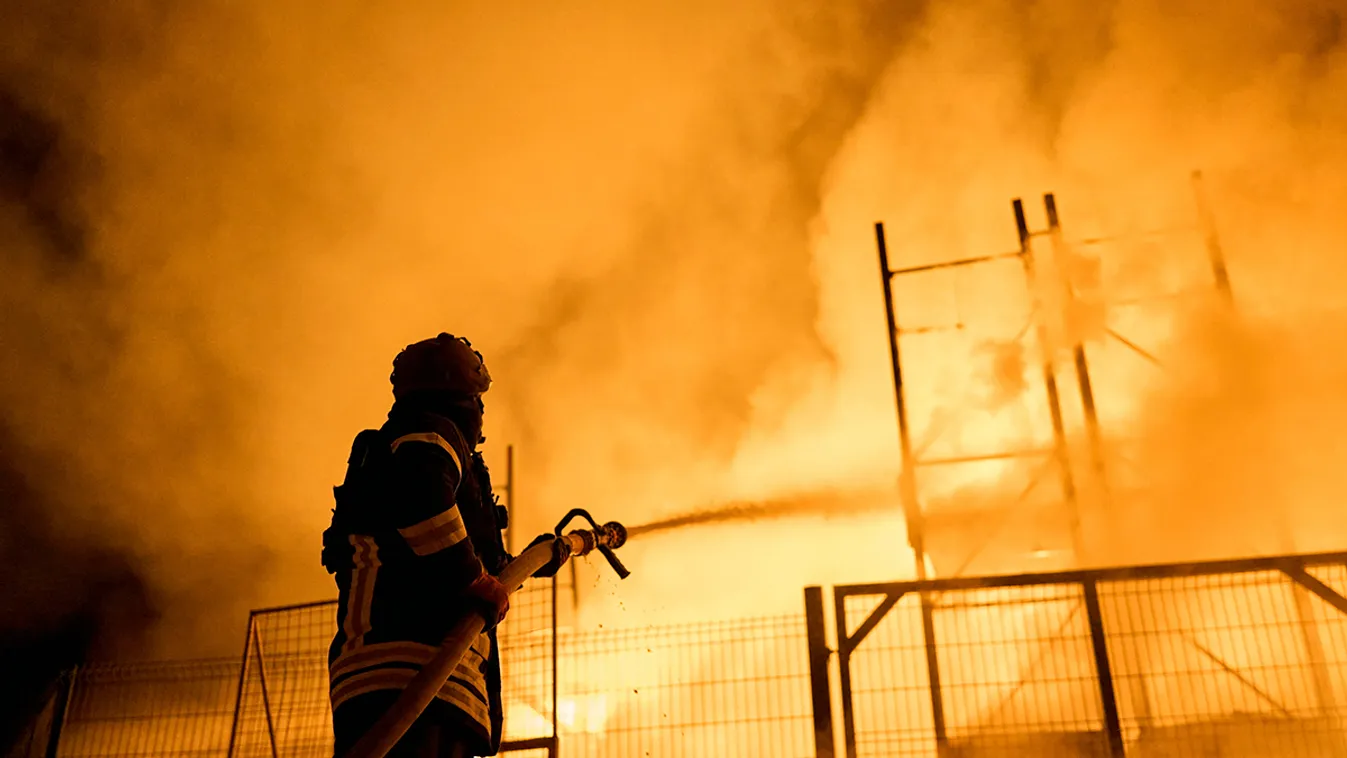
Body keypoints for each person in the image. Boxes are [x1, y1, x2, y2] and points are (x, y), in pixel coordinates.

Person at [322, 333, 513, 758]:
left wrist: (509, 565)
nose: (481, 410)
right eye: (477, 397)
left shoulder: (409, 447)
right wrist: (474, 577)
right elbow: (422, 498)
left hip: (421, 678)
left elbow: (462, 549)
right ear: (458, 395)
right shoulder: (428, 434)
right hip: (411, 668)